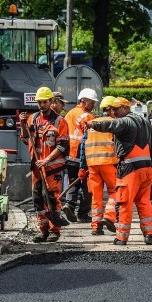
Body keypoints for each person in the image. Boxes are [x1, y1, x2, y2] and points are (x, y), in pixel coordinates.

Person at [86, 96, 152, 246]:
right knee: (144, 202)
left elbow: (112, 125)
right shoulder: (144, 122)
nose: (113, 112)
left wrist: (93, 124)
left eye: (116, 109)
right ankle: (149, 235)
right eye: (112, 109)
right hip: (146, 168)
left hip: (130, 169)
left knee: (124, 202)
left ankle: (121, 237)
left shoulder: (125, 121)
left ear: (126, 108)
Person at [19, 86, 70, 242]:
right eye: (39, 102)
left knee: (52, 199)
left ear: (51, 101)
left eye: (44, 102)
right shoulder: (32, 119)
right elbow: (25, 138)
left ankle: (55, 230)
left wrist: (47, 160)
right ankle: (43, 231)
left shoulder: (60, 122)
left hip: (52, 167)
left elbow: (62, 146)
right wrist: (22, 123)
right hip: (36, 167)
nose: (42, 105)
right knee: (38, 199)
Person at [79, 96, 120, 236]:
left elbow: (83, 145)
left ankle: (96, 227)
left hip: (92, 165)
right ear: (111, 110)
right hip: (109, 163)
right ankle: (109, 216)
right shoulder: (114, 123)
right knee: (116, 191)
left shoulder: (91, 123)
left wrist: (82, 166)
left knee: (96, 196)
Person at [61, 88, 100, 223]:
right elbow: (93, 135)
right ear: (83, 101)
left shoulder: (70, 113)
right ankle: (83, 213)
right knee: (87, 184)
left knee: (73, 181)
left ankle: (69, 205)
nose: (93, 105)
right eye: (91, 102)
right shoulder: (87, 117)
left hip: (69, 155)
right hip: (83, 155)